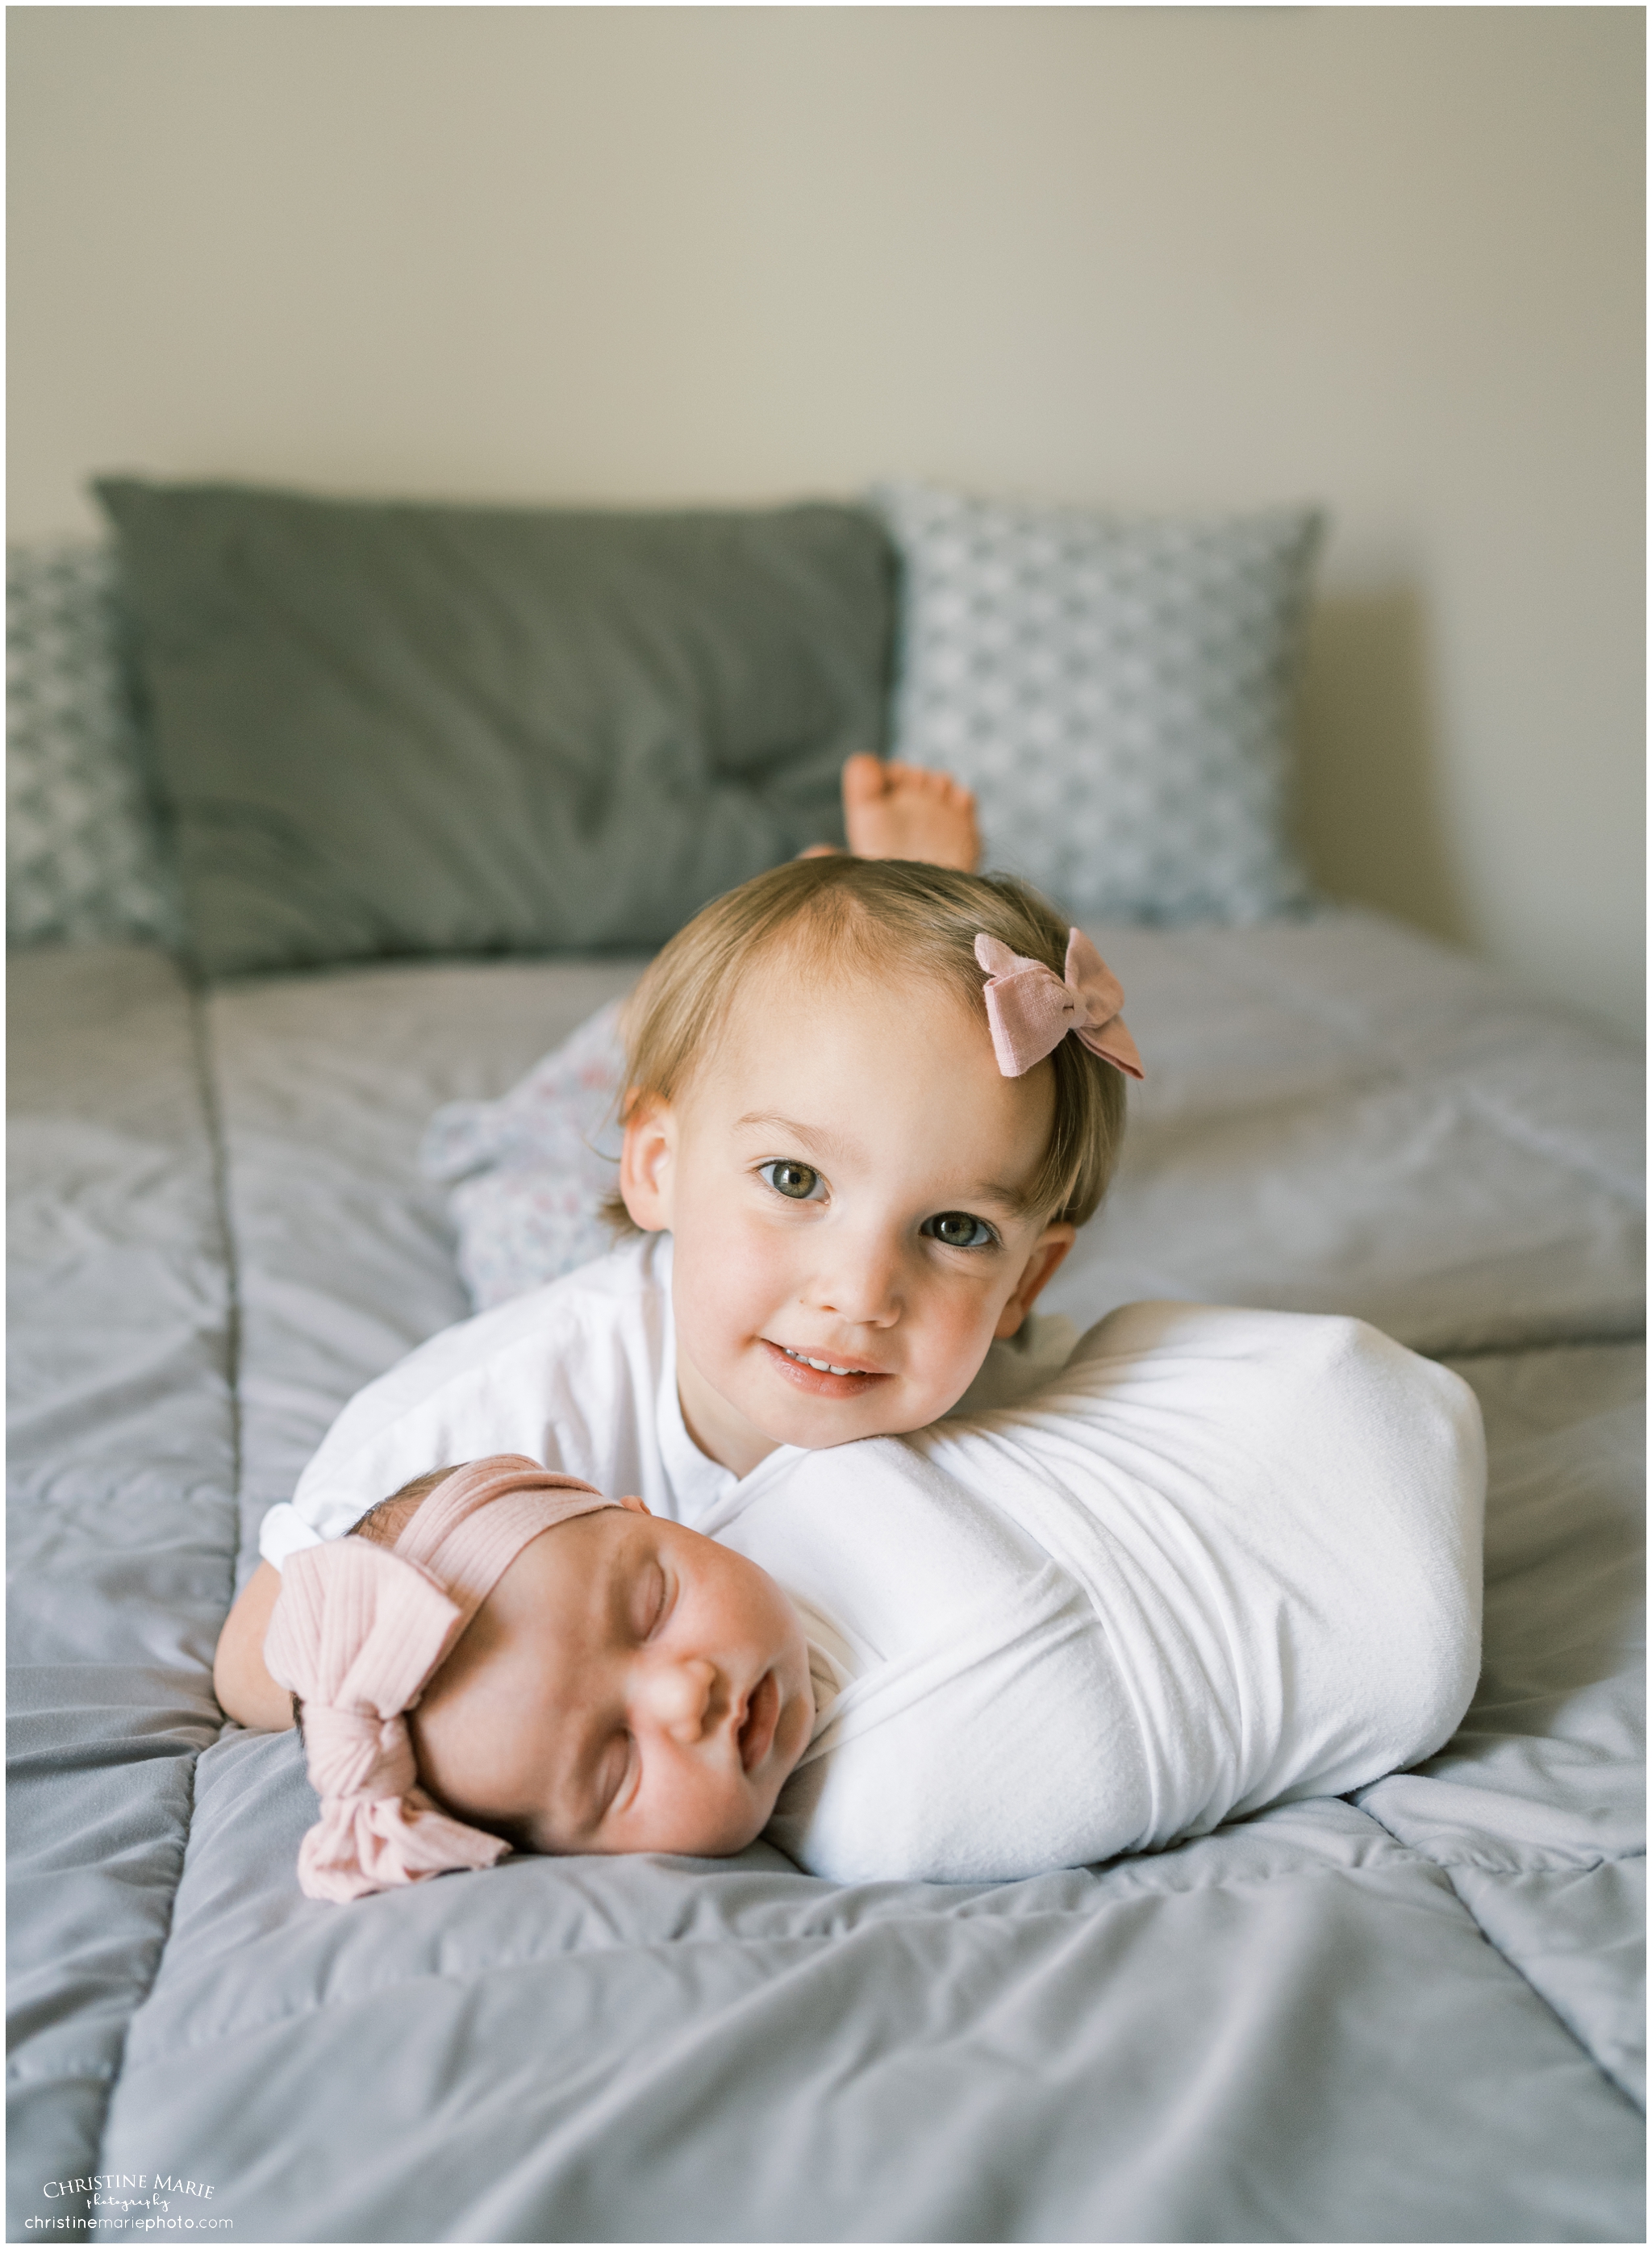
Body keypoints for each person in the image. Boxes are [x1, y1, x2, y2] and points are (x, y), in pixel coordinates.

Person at [215, 841, 1142, 1729]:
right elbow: (259, 1654)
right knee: (520, 1174)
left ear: (1026, 1280)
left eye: (954, 1230)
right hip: (563, 1253)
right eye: (794, 1179)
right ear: (655, 1165)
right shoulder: (519, 1409)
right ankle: (640, 1018)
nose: (861, 1294)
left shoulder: (1041, 1407)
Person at [252, 1295, 1484, 1901]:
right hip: (1396, 1660)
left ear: (648, 1512)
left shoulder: (794, 1480)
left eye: (652, 1603)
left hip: (1301, 1396)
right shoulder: (867, 1845)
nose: (684, 1692)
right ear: (563, 1854)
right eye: (614, 1768)